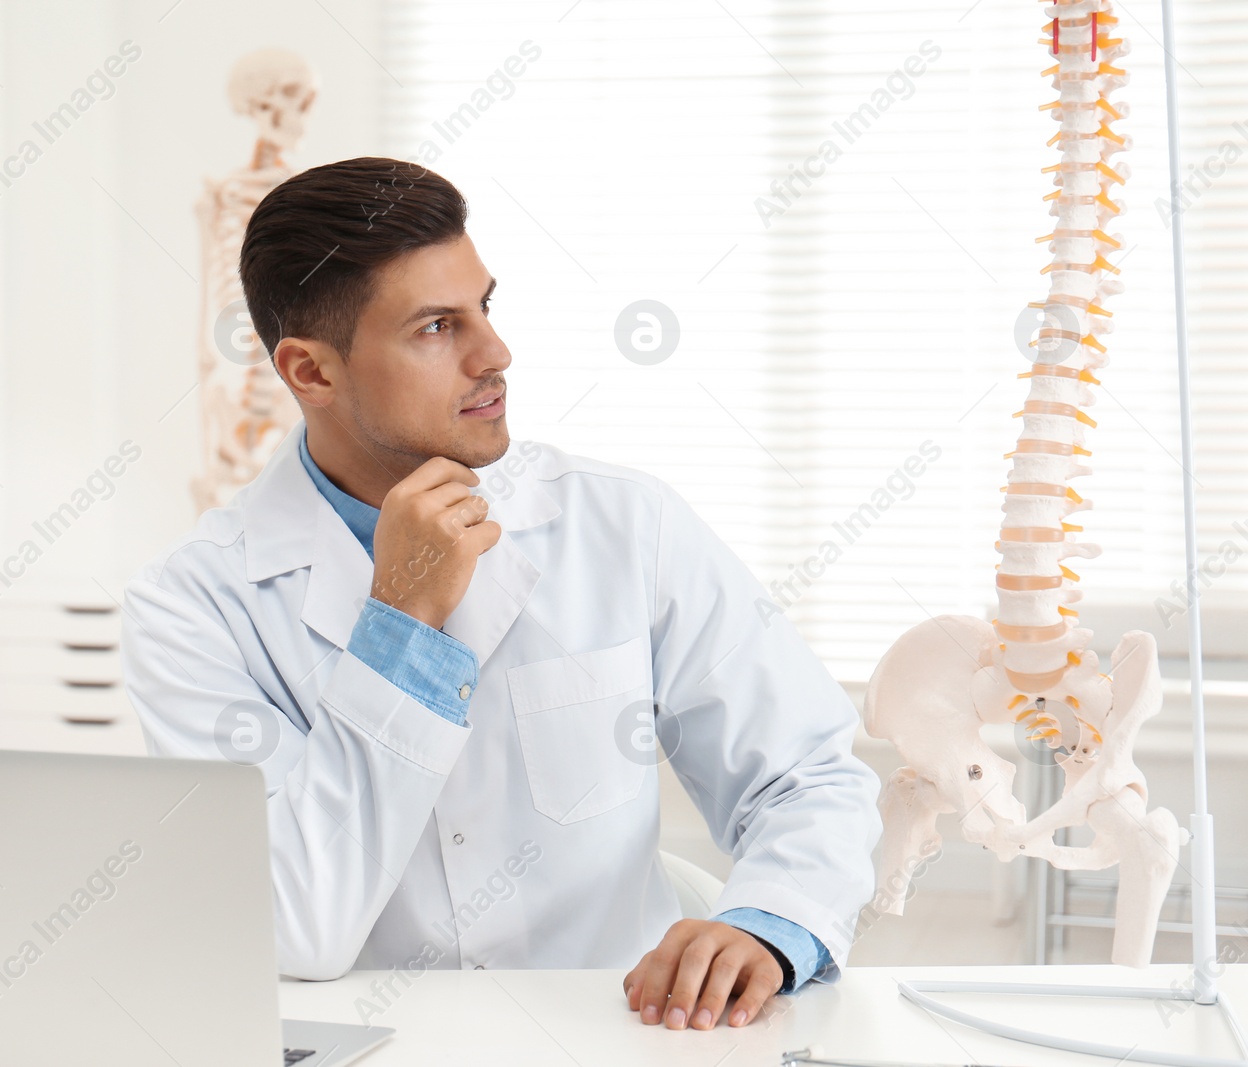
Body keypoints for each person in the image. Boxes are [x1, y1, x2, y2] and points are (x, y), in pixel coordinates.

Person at [122, 157, 882, 1032]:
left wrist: (770, 923)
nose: (495, 353)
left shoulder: (623, 523)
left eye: (485, 306)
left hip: (626, 1038)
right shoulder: (191, 607)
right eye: (438, 326)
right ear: (313, 372)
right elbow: (298, 922)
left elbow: (808, 772)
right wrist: (403, 621)